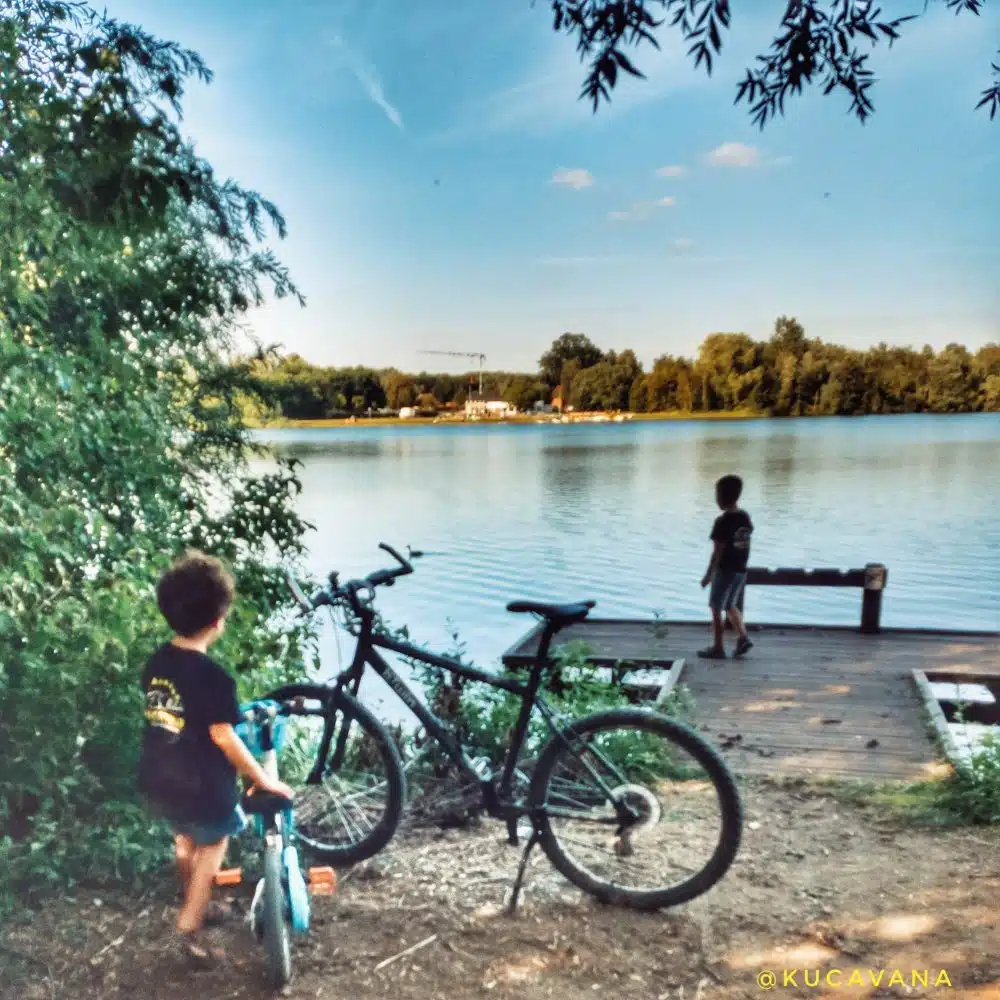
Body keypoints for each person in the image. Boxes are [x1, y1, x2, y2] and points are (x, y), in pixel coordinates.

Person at [137, 551, 294, 964]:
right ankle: (190, 924)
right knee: (213, 844)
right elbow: (223, 736)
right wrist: (261, 778)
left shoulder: (158, 662)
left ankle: (197, 901)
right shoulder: (214, 678)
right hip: (202, 782)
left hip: (160, 773)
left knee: (185, 839)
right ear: (217, 621)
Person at [698, 475, 754, 660]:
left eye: (716, 494)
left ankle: (718, 647)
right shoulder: (744, 517)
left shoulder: (722, 522)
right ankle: (743, 637)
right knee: (730, 604)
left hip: (725, 569)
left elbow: (717, 553)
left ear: (721, 496)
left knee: (715, 607)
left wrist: (708, 575)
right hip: (741, 569)